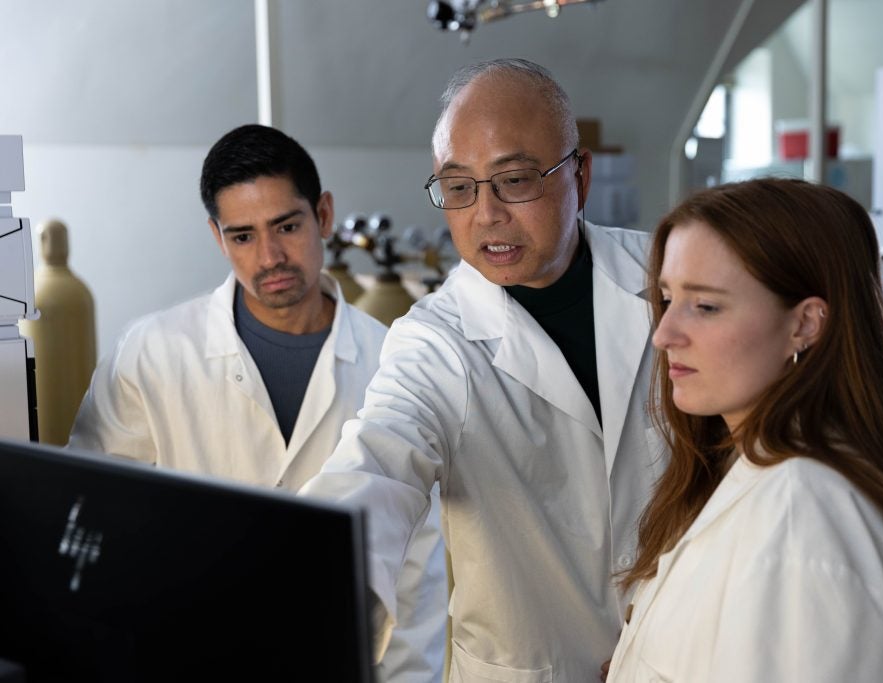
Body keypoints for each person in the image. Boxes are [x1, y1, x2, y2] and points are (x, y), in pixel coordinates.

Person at [302, 59, 664, 681]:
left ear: (581, 172)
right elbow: (379, 459)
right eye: (459, 187)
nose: (485, 214)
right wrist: (316, 592)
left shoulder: (668, 278)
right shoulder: (434, 341)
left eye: (515, 180)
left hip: (684, 652)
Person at [69, 124, 448, 682]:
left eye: (287, 226)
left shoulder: (393, 364)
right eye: (243, 236)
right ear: (218, 238)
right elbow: (94, 524)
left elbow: (419, 571)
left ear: (322, 215)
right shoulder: (151, 354)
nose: (270, 257)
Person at [606, 178, 883, 682]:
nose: (663, 334)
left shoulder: (807, 516)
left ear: (805, 325)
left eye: (705, 306)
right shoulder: (750, 474)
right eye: (667, 298)